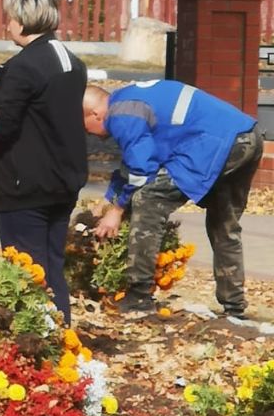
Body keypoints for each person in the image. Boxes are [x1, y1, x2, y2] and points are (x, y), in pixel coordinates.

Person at [0, 0, 87, 324]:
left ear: (24, 20)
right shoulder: (70, 61)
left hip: (25, 183)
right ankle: (61, 333)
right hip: (64, 179)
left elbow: (3, 126)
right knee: (52, 267)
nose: (7, 24)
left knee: (27, 270)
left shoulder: (25, 66)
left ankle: (38, 342)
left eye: (11, 17)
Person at [83, 81, 264, 318]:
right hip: (247, 137)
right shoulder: (130, 101)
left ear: (95, 113)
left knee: (148, 200)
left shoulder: (121, 114)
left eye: (84, 126)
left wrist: (116, 210)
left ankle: (139, 296)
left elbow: (140, 170)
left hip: (214, 144)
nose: (87, 133)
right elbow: (134, 160)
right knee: (224, 223)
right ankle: (234, 308)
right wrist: (109, 200)